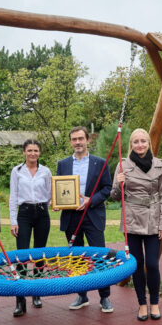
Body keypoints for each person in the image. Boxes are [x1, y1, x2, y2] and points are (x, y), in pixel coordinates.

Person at [111, 129, 162, 321]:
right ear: (131, 145)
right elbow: (114, 196)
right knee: (137, 265)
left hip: (153, 219)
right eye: (136, 141)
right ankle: (142, 304)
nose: (140, 145)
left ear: (149, 143)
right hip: (132, 219)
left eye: (143, 141)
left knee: (152, 264)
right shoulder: (123, 165)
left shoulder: (159, 165)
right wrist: (119, 184)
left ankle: (154, 302)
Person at [56, 126, 114, 312]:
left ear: (88, 140)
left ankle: (104, 297)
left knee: (100, 256)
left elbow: (107, 189)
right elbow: (60, 189)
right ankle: (82, 295)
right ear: (71, 142)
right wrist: (57, 201)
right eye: (74, 139)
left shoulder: (100, 163)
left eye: (81, 138)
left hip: (93, 216)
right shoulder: (62, 164)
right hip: (71, 217)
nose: (78, 142)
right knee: (76, 258)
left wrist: (91, 201)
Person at [9, 139, 52, 317]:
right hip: (24, 213)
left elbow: (50, 194)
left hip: (42, 213)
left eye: (35, 150)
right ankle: (20, 300)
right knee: (22, 255)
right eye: (29, 150)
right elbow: (13, 196)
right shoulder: (17, 171)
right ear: (24, 152)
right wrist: (13, 220)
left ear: (39, 152)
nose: (32, 153)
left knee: (39, 254)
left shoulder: (46, 171)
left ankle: (37, 292)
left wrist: (52, 204)